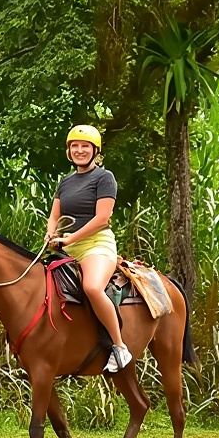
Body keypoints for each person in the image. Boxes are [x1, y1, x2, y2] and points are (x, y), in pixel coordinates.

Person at [46, 124, 132, 372]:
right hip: (66, 247)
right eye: (75, 146)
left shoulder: (104, 178)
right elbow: (54, 215)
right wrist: (51, 234)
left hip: (96, 244)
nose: (80, 150)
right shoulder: (65, 182)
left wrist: (70, 239)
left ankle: (119, 347)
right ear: (68, 151)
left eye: (85, 146)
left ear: (96, 151)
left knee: (92, 287)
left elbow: (102, 218)